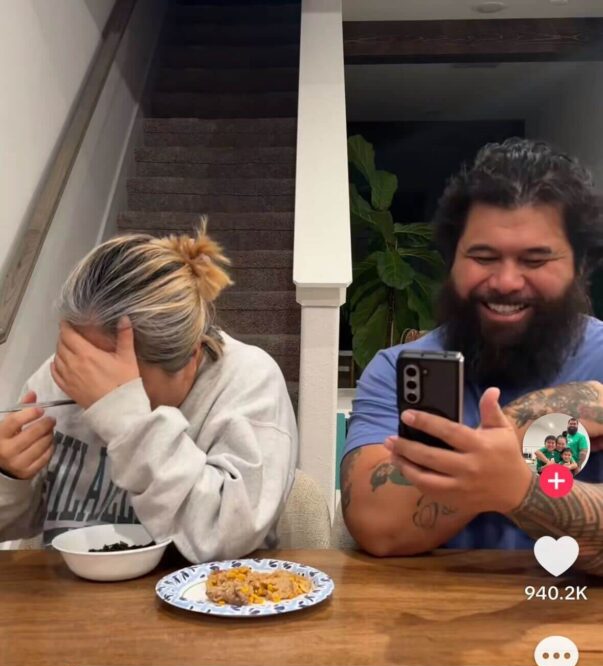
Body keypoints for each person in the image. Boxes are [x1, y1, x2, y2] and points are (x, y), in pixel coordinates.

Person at [341, 138, 603, 576]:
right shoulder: (395, 369)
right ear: (453, 261)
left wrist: (515, 489)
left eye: (535, 260)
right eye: (483, 257)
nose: (505, 281)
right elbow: (377, 525)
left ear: (579, 267)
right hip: (426, 625)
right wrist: (531, 423)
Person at [0, 224, 298, 561]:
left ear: (192, 357)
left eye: (117, 378)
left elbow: (225, 537)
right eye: (80, 356)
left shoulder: (247, 381)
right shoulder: (64, 374)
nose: (87, 386)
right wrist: (8, 473)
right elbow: (13, 523)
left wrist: (126, 418)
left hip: (209, 603)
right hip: (70, 603)